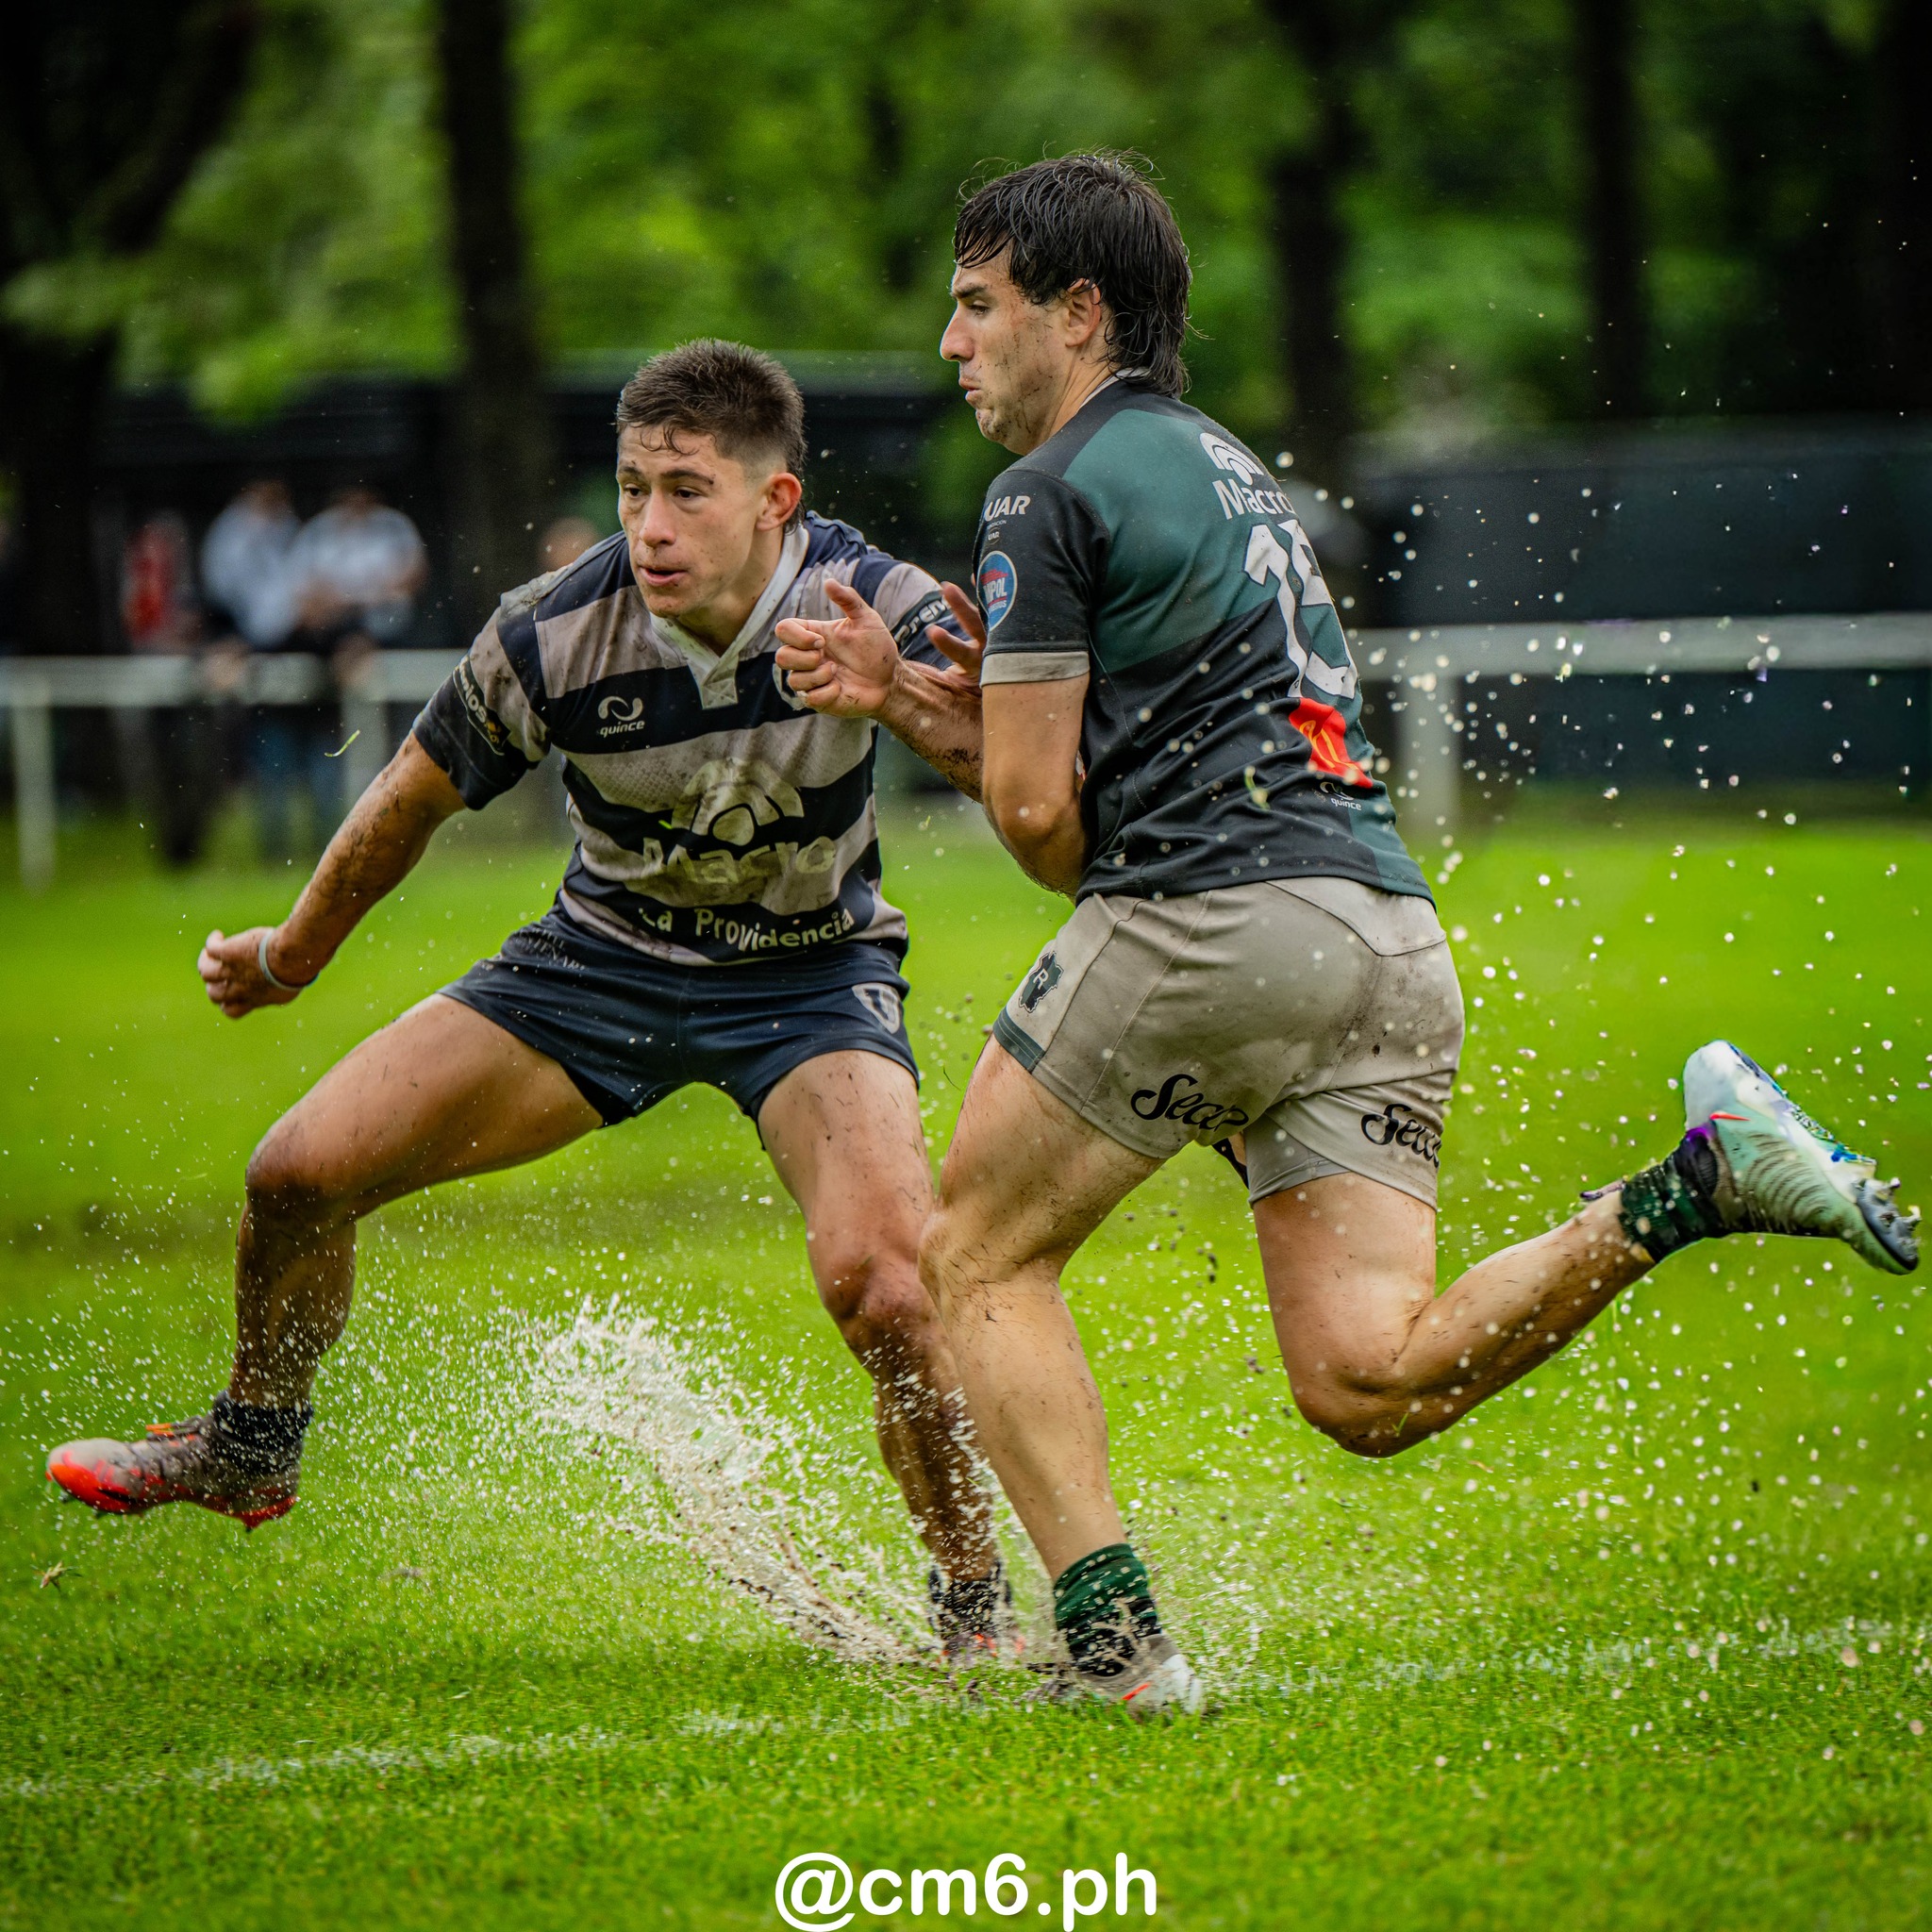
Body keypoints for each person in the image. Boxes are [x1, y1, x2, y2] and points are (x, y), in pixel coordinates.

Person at [773, 154, 1921, 1715]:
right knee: (1367, 1380)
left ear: (1080, 312)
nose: (954, 344)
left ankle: (1117, 1661)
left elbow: (1046, 828)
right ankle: (1686, 1187)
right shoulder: (1228, 465)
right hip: (1383, 935)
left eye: (979, 308)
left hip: (1215, 923)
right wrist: (914, 692)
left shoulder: (1041, 494)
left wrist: (920, 706)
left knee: (972, 1253)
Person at [45, 340, 1011, 1657]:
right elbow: (410, 796)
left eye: (686, 492)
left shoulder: (881, 603)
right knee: (293, 1175)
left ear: (776, 502)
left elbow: (1024, 779)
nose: (650, 528)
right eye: (629, 490)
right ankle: (252, 1443)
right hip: (596, 965)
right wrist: (293, 955)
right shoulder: (554, 627)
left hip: (806, 983)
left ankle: (976, 1607)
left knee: (890, 1292)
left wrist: (896, 690)